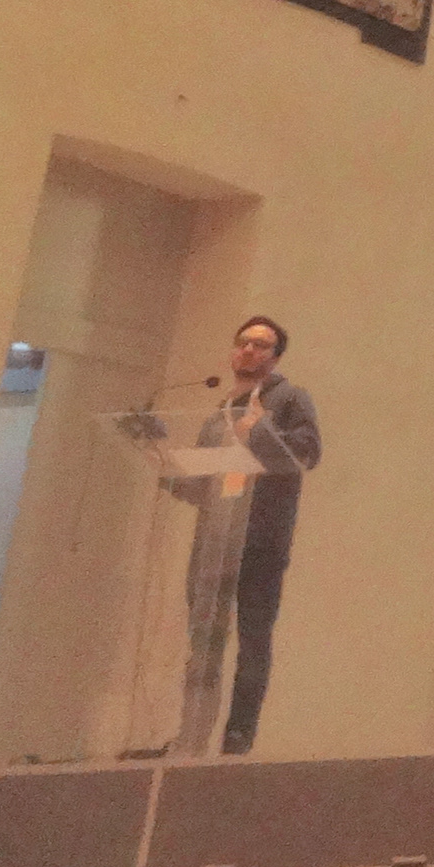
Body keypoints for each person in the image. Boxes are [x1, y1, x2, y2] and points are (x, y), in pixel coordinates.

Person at [167, 313, 323, 757]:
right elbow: (202, 482)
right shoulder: (221, 409)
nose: (248, 350)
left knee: (252, 640)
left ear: (276, 357)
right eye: (242, 342)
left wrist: (261, 430)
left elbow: (306, 454)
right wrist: (166, 464)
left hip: (260, 540)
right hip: (215, 539)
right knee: (203, 639)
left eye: (260, 344)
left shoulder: (290, 398)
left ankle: (238, 738)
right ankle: (192, 735)